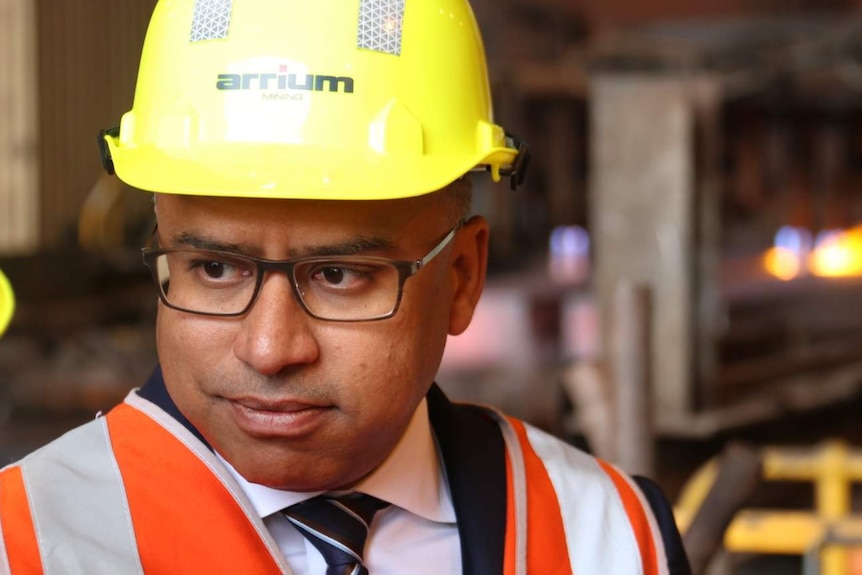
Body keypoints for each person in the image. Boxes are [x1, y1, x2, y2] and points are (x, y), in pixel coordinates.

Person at [0, 0, 691, 573]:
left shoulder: (607, 539)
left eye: (338, 275)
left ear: (461, 277)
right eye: (214, 268)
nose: (270, 347)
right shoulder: (23, 542)